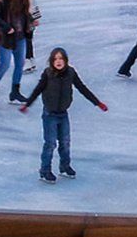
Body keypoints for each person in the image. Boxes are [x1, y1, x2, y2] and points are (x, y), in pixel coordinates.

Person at [20, 47, 108, 182]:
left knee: (65, 142)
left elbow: (82, 88)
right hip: (49, 114)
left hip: (63, 113)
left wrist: (97, 103)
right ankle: (45, 170)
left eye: (61, 58)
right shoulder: (47, 74)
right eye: (55, 59)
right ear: (51, 61)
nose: (58, 61)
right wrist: (27, 104)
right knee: (50, 143)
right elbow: (38, 90)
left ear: (65, 60)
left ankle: (64, 166)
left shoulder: (71, 73)